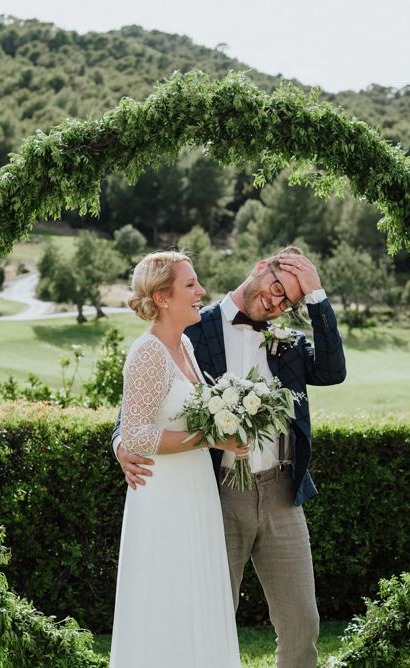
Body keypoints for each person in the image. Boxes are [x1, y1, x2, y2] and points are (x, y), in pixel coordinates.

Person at [113, 246, 347, 668]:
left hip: (281, 490)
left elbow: (332, 371)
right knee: (210, 613)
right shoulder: (190, 329)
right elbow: (139, 402)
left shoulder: (289, 342)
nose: (277, 303)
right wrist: (121, 444)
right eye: (278, 288)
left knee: (302, 623)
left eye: (289, 301)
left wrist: (316, 296)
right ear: (260, 269)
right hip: (216, 493)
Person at [109, 251, 247, 668]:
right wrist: (210, 438)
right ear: (163, 298)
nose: (201, 291)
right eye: (191, 285)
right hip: (163, 496)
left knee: (194, 593)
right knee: (166, 596)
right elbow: (135, 433)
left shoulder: (184, 344)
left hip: (193, 490)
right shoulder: (148, 352)